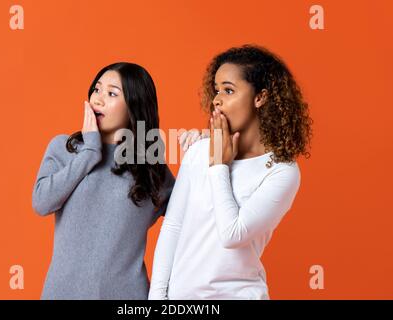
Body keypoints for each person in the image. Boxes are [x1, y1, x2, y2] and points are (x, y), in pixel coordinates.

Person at [149, 44, 313, 299]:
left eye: (228, 90)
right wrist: (157, 299)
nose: (216, 99)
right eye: (216, 91)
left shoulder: (282, 171)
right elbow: (172, 227)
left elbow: (232, 234)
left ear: (260, 97)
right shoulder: (200, 151)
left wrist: (219, 165)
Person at [32, 62, 175, 299]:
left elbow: (192, 216)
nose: (98, 99)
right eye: (96, 89)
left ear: (134, 106)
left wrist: (200, 152)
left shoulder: (151, 168)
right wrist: (90, 152)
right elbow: (41, 203)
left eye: (111, 94)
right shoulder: (64, 148)